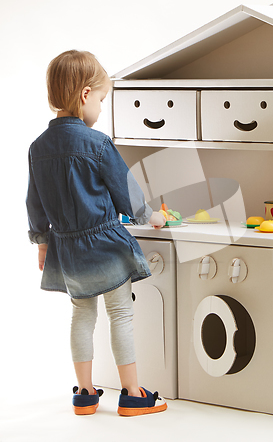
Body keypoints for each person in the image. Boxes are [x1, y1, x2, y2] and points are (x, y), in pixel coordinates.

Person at [26, 50, 167, 416]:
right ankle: (133, 393)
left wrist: (42, 243)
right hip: (104, 243)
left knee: (81, 316)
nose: (101, 109)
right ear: (85, 94)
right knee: (120, 314)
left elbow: (35, 204)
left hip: (68, 248)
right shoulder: (97, 143)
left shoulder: (37, 149)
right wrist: (153, 217)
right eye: (102, 100)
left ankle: (85, 394)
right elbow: (126, 192)